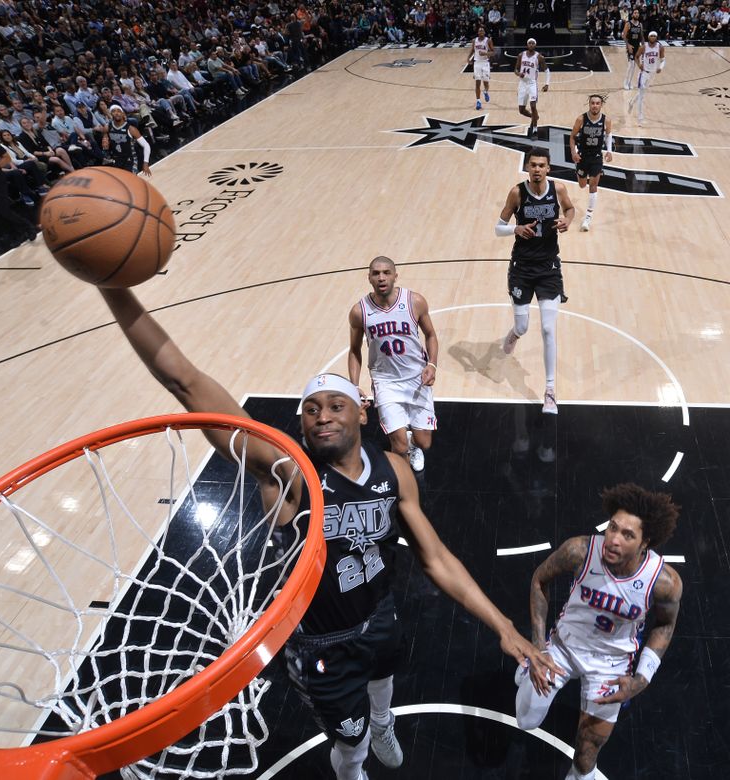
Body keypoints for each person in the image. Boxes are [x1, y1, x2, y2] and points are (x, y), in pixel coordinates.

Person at [97, 287, 559, 780]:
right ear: (300, 424)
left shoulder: (394, 470)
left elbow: (437, 559)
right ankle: (354, 770)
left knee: (384, 684)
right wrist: (113, 286)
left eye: (335, 405)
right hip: (321, 642)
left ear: (362, 411)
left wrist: (504, 627)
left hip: (380, 613)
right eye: (311, 409)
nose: (322, 415)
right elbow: (185, 381)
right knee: (350, 742)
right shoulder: (288, 474)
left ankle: (383, 722)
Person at [515, 483, 682, 780]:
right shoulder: (580, 551)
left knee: (587, 750)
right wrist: (537, 650)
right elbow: (539, 580)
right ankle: (529, 668)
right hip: (563, 648)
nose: (614, 539)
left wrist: (641, 679)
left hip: (612, 664)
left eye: (627, 535)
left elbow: (665, 625)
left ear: (646, 543)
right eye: (613, 527)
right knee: (525, 720)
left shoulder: (664, 582)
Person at [495, 147, 575, 414]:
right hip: (521, 268)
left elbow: (571, 209)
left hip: (549, 267)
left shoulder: (559, 189)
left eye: (542, 165)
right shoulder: (517, 192)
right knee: (524, 325)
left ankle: (550, 390)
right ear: (527, 168)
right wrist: (515, 228)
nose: (537, 169)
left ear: (549, 168)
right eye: (533, 165)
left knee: (549, 330)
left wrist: (567, 221)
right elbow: (498, 228)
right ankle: (515, 333)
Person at [348, 257, 438, 473]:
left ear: (395, 276)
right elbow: (354, 350)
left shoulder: (414, 301)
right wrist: (353, 386)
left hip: (417, 378)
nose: (381, 277)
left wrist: (432, 365)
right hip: (385, 382)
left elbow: (431, 335)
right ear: (369, 277)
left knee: (424, 442)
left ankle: (413, 443)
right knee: (399, 446)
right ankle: (406, 487)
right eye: (376, 273)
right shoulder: (359, 312)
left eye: (386, 272)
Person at [570, 95, 613, 232]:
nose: (595, 105)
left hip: (596, 157)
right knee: (582, 185)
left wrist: (609, 151)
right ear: (589, 104)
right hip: (582, 156)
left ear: (601, 105)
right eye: (593, 103)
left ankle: (588, 217)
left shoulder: (606, 120)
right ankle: (579, 173)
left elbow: (608, 135)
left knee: (593, 186)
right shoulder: (581, 119)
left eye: (597, 103)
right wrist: (573, 153)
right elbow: (572, 137)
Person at [515, 38, 550, 139]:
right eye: (529, 43)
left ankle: (535, 130)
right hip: (522, 84)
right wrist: (518, 73)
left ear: (535, 45)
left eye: (533, 43)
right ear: (527, 44)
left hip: (532, 84)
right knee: (521, 110)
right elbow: (516, 69)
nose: (531, 45)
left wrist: (547, 84)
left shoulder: (539, 57)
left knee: (533, 106)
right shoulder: (521, 55)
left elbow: (547, 70)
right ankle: (535, 117)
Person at [630, 31, 665, 126]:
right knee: (642, 96)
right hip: (643, 73)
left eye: (654, 36)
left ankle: (632, 102)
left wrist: (660, 68)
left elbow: (663, 60)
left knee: (642, 93)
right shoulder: (644, 47)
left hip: (652, 74)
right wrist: (639, 64)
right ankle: (640, 119)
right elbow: (636, 57)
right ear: (648, 37)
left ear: (656, 37)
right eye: (651, 36)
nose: (653, 37)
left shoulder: (660, 47)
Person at [467, 25, 494, 111]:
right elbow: (472, 50)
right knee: (477, 83)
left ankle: (485, 92)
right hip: (477, 63)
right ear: (478, 32)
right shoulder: (474, 40)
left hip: (485, 63)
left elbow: (493, 52)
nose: (481, 32)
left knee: (486, 83)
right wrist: (468, 58)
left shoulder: (488, 40)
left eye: (482, 30)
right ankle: (478, 101)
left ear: (484, 32)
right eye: (480, 31)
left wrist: (485, 54)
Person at [622, 8, 644, 90]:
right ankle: (625, 82)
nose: (637, 14)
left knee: (634, 66)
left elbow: (641, 36)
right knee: (631, 65)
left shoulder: (640, 25)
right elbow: (623, 36)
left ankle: (630, 82)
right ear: (632, 14)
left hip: (637, 47)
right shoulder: (628, 24)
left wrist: (643, 45)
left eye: (638, 13)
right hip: (630, 46)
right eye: (635, 13)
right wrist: (628, 45)